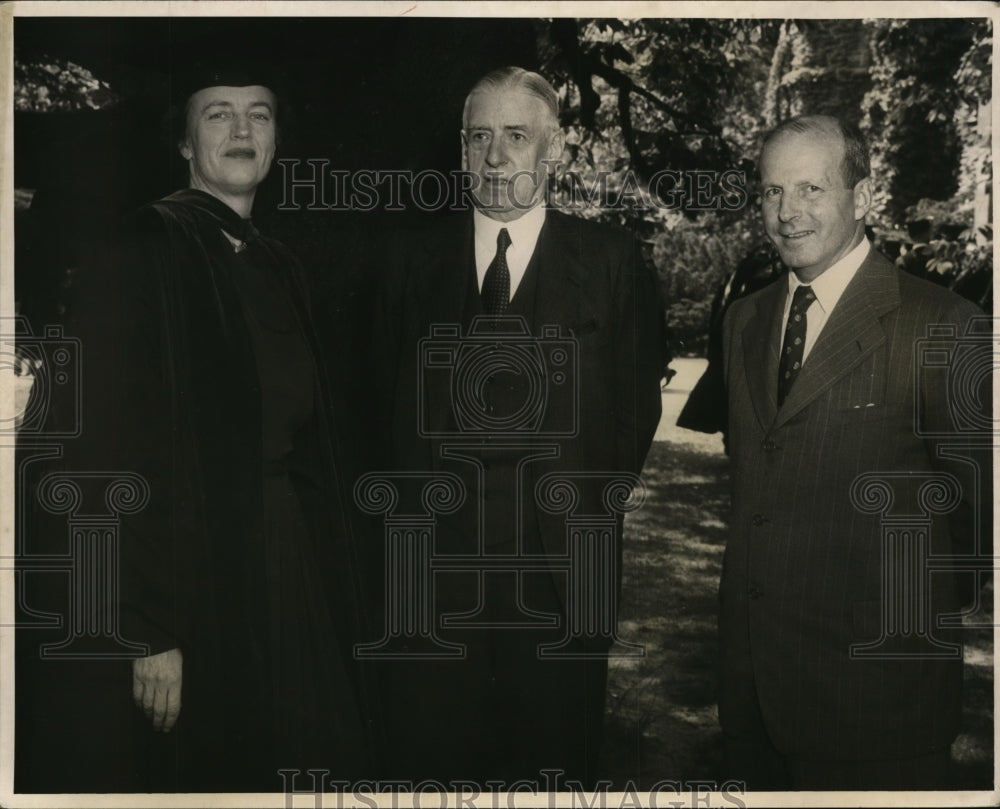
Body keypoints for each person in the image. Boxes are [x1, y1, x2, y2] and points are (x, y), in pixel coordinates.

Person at [16, 65, 375, 792]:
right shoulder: (143, 251)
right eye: (218, 115)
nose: (243, 131)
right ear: (183, 142)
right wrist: (143, 626)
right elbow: (87, 454)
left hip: (283, 564)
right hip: (187, 581)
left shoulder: (279, 262)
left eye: (260, 114)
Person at [370, 66, 663, 788]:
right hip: (432, 588)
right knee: (431, 774)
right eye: (478, 138)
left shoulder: (614, 263)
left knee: (552, 776)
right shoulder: (407, 259)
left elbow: (633, 414)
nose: (495, 159)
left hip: (562, 586)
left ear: (554, 148)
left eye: (515, 136)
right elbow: (375, 406)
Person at [719, 114, 990, 790]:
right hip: (753, 700)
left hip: (876, 707)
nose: (787, 212)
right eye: (772, 191)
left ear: (863, 198)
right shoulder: (744, 322)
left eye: (811, 188)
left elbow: (975, 522)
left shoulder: (943, 325)